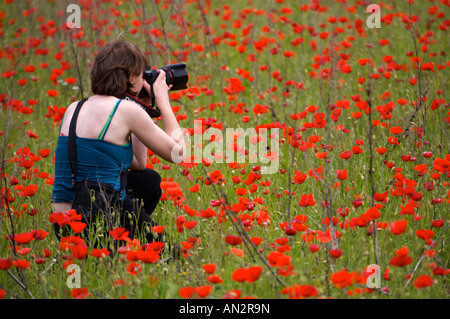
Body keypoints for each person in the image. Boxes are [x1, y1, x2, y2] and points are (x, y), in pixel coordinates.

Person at [51, 39, 186, 245]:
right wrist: (163, 101)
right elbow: (177, 153)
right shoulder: (124, 111)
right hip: (94, 219)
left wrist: (145, 107)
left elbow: (138, 163)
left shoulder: (74, 107)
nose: (144, 81)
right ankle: (118, 242)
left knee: (147, 179)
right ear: (131, 77)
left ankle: (121, 243)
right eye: (142, 75)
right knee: (169, 254)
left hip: (64, 221)